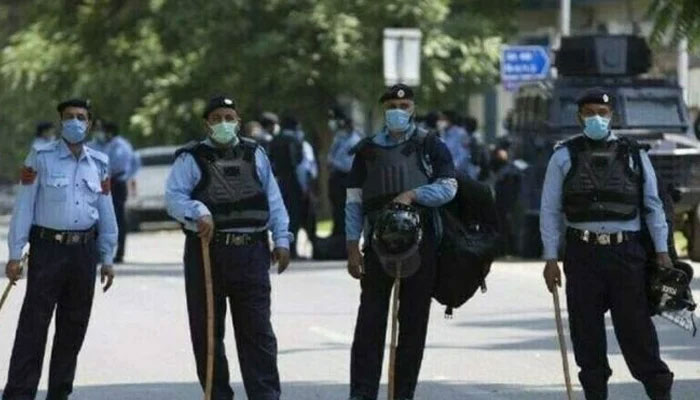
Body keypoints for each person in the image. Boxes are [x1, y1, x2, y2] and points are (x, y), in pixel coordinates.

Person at [540, 88, 674, 400]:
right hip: (582, 254)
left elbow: (653, 205)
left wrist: (662, 252)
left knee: (637, 332)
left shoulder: (634, 154)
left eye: (602, 113)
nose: (596, 119)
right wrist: (550, 258)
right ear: (579, 117)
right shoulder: (563, 155)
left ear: (612, 115)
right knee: (586, 334)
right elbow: (549, 209)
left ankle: (660, 393)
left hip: (626, 254)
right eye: (589, 113)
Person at [165, 95, 291, 400]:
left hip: (252, 252)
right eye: (217, 117)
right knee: (208, 334)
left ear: (238, 119)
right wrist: (197, 211)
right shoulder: (190, 158)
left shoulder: (255, 153)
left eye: (229, 117)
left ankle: (265, 396)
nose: (224, 123)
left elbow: (273, 200)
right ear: (207, 123)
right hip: (208, 252)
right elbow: (173, 199)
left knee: (258, 333)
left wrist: (283, 239)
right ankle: (217, 394)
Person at [345, 84, 457, 400]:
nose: (398, 110)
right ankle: (362, 393)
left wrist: (413, 195)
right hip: (378, 246)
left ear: (413, 109)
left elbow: (449, 187)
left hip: (421, 246)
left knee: (412, 323)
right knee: (370, 321)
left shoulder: (431, 146)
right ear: (384, 109)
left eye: (404, 104)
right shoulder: (366, 151)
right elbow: (353, 201)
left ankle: (402, 392)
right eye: (393, 104)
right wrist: (353, 246)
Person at [3, 98, 117, 400]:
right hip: (48, 250)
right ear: (60, 122)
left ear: (89, 123)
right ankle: (18, 394)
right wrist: (15, 254)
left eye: (81, 117)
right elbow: (24, 206)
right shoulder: (40, 157)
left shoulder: (100, 163)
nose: (75, 122)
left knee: (73, 328)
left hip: (84, 252)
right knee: (33, 327)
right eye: (69, 117)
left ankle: (59, 393)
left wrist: (107, 256)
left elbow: (106, 212)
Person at [88, 120, 140, 263]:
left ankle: (119, 252)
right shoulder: (94, 145)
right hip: (98, 183)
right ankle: (99, 252)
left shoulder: (121, 146)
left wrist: (127, 176)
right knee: (97, 217)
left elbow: (131, 163)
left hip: (116, 183)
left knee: (118, 218)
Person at [268, 115, 304, 258]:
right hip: (293, 181)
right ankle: (292, 249)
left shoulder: (275, 140)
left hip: (279, 181)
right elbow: (298, 163)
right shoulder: (295, 140)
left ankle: (282, 246)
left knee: (282, 215)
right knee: (294, 215)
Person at [327, 107, 362, 237]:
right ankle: (337, 237)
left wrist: (333, 163)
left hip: (346, 179)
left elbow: (349, 164)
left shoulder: (354, 141)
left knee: (344, 212)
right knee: (337, 211)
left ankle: (343, 240)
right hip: (337, 179)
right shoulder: (340, 138)